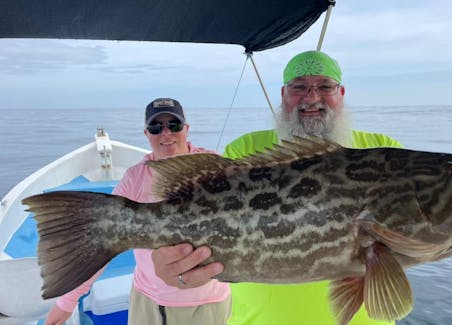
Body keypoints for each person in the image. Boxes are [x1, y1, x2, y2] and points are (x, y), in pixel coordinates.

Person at [222, 51, 402, 325]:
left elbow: (417, 227)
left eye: (325, 86)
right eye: (299, 87)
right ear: (283, 93)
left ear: (340, 92)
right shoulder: (244, 150)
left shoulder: (385, 152)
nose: (312, 97)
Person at [44, 98, 231, 325]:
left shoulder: (216, 167)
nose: (166, 133)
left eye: (174, 125)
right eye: (156, 127)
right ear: (146, 133)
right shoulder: (135, 176)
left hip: (205, 306)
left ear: (186, 129)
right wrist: (66, 303)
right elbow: (102, 236)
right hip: (146, 300)